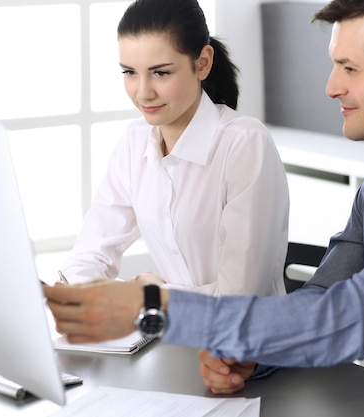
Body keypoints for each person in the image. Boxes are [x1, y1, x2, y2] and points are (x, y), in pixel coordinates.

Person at [43, 0, 364, 414]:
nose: (330, 87)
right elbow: (323, 295)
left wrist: (155, 306)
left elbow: (346, 320)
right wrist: (255, 355)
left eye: (349, 68)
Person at [60, 0, 289, 296]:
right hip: (171, 333)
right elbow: (92, 251)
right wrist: (79, 292)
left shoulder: (244, 144)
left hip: (245, 338)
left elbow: (240, 297)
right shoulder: (134, 141)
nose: (143, 92)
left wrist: (156, 296)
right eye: (129, 72)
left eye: (161, 73)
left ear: (202, 63)